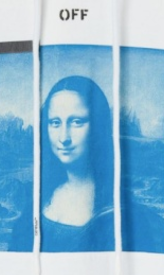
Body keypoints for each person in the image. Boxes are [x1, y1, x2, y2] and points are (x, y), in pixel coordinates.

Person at [11, 75, 116, 252]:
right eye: (55, 123)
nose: (64, 137)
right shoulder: (40, 198)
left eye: (76, 122)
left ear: (98, 127)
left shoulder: (114, 210)